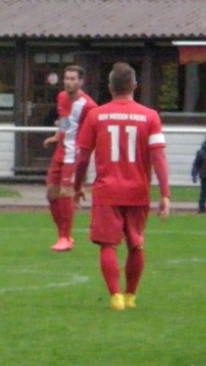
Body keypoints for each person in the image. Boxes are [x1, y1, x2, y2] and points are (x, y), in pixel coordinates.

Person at [72, 62, 170, 311]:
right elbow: (158, 156)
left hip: (106, 190)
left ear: (110, 88)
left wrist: (77, 185)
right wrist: (165, 194)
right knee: (136, 243)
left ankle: (115, 297)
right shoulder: (150, 116)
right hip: (138, 190)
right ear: (135, 85)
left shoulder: (96, 115)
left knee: (108, 244)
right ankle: (131, 296)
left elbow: (82, 157)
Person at [43, 65, 96, 252]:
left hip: (75, 154)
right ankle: (63, 235)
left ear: (81, 82)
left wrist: (87, 149)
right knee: (51, 193)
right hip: (61, 151)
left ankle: (65, 237)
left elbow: (95, 128)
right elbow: (65, 119)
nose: (68, 82)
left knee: (66, 193)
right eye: (66, 78)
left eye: (73, 79)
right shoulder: (61, 97)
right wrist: (57, 136)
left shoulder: (88, 105)